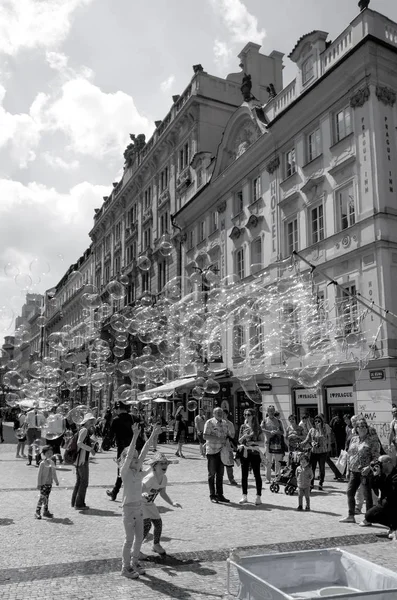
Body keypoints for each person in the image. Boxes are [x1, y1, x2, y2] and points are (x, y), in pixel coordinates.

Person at [119, 423, 159, 579]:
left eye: (137, 458)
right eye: (132, 458)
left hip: (139, 509)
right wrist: (135, 435)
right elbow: (129, 457)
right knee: (129, 540)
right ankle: (125, 567)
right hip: (128, 510)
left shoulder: (138, 474)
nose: (136, 460)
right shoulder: (125, 472)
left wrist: (153, 435)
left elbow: (144, 452)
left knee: (138, 540)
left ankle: (135, 563)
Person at [340, 418, 380, 525]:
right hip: (354, 470)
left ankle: (368, 519)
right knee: (350, 492)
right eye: (359, 426)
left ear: (367, 428)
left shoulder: (372, 440)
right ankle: (351, 515)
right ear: (356, 428)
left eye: (364, 426)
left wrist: (369, 467)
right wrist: (348, 469)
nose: (362, 428)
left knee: (367, 495)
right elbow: (349, 454)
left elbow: (376, 457)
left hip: (365, 471)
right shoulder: (354, 439)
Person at [141, 452, 182, 556]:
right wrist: (143, 492)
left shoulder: (164, 478)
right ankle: (135, 549)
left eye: (166, 463)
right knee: (147, 525)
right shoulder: (150, 478)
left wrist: (172, 502)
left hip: (150, 504)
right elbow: (139, 487)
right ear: (154, 466)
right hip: (140, 504)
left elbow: (163, 493)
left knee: (158, 524)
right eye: (162, 463)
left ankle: (156, 545)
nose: (165, 465)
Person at [106, 401, 133, 502]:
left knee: (121, 470)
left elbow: (110, 435)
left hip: (122, 448)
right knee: (133, 468)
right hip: (133, 447)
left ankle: (116, 492)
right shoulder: (133, 417)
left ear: (118, 409)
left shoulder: (116, 420)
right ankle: (115, 492)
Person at [365, 455, 397, 539]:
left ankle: (395, 527)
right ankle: (393, 527)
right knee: (369, 516)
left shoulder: (395, 474)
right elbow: (374, 489)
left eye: (380, 463)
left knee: (388, 504)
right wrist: (375, 475)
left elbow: (392, 493)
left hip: (394, 503)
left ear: (388, 463)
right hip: (386, 503)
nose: (379, 465)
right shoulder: (382, 474)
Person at [203, 407, 230, 504]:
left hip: (222, 452)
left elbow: (227, 436)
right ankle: (212, 495)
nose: (219, 414)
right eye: (217, 412)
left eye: (221, 412)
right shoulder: (209, 422)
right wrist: (218, 439)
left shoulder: (225, 423)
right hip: (212, 451)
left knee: (220, 475)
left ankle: (220, 495)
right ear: (213, 414)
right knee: (211, 474)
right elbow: (205, 436)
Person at [237, 409, 264, 505]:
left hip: (255, 452)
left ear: (253, 416)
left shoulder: (258, 428)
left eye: (248, 414)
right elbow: (239, 441)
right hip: (245, 452)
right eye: (245, 414)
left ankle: (258, 496)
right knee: (244, 475)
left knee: (257, 475)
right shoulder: (243, 426)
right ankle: (244, 496)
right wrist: (244, 436)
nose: (246, 416)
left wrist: (253, 442)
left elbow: (262, 442)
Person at [71, 412, 96, 511]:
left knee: (79, 482)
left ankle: (74, 502)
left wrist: (91, 442)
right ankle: (79, 504)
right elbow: (79, 443)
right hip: (82, 461)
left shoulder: (83, 429)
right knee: (84, 482)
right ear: (87, 421)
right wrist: (90, 449)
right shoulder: (84, 430)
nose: (93, 422)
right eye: (91, 420)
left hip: (80, 460)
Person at [302, 414, 330, 491]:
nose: (317, 422)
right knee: (312, 468)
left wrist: (320, 428)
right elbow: (307, 439)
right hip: (314, 452)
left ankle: (321, 483)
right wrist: (301, 444)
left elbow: (324, 438)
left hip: (322, 452)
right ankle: (311, 483)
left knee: (322, 468)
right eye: (315, 421)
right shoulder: (312, 430)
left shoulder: (324, 429)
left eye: (319, 421)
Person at [261, 405, 285, 483]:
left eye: (272, 411)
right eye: (270, 411)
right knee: (268, 461)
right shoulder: (265, 420)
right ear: (267, 412)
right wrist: (269, 432)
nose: (271, 412)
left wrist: (277, 432)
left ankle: (277, 478)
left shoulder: (278, 421)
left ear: (274, 411)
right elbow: (261, 429)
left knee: (278, 461)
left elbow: (282, 432)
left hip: (277, 444)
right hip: (268, 443)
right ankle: (268, 478)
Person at [35, 445, 59, 519]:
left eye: (51, 453)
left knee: (47, 498)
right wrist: (39, 484)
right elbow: (39, 475)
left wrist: (56, 481)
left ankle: (45, 511)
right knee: (42, 497)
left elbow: (54, 473)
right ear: (44, 454)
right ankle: (37, 512)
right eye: (48, 453)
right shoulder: (42, 463)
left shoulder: (52, 462)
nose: (50, 454)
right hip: (43, 484)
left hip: (49, 483)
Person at [223, 409, 238, 486]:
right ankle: (219, 478)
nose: (222, 415)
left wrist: (227, 433)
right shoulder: (216, 423)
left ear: (227, 415)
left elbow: (232, 435)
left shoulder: (230, 424)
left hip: (227, 446)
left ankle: (231, 479)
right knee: (219, 463)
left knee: (229, 464)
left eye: (223, 414)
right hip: (219, 446)